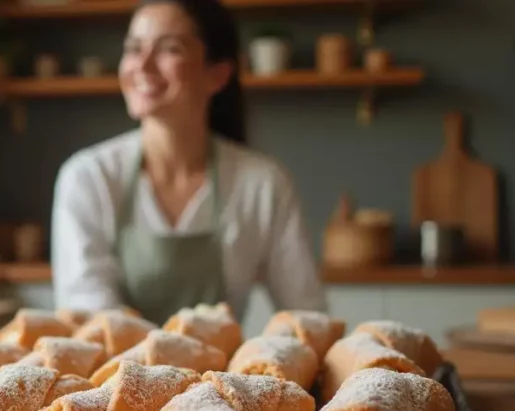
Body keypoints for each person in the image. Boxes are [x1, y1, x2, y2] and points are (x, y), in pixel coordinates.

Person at [51, 0, 325, 325]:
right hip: (113, 374)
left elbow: (307, 317)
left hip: (221, 377)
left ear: (218, 74)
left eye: (170, 49)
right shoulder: (89, 177)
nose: (142, 65)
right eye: (134, 48)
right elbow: (88, 313)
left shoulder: (262, 183)